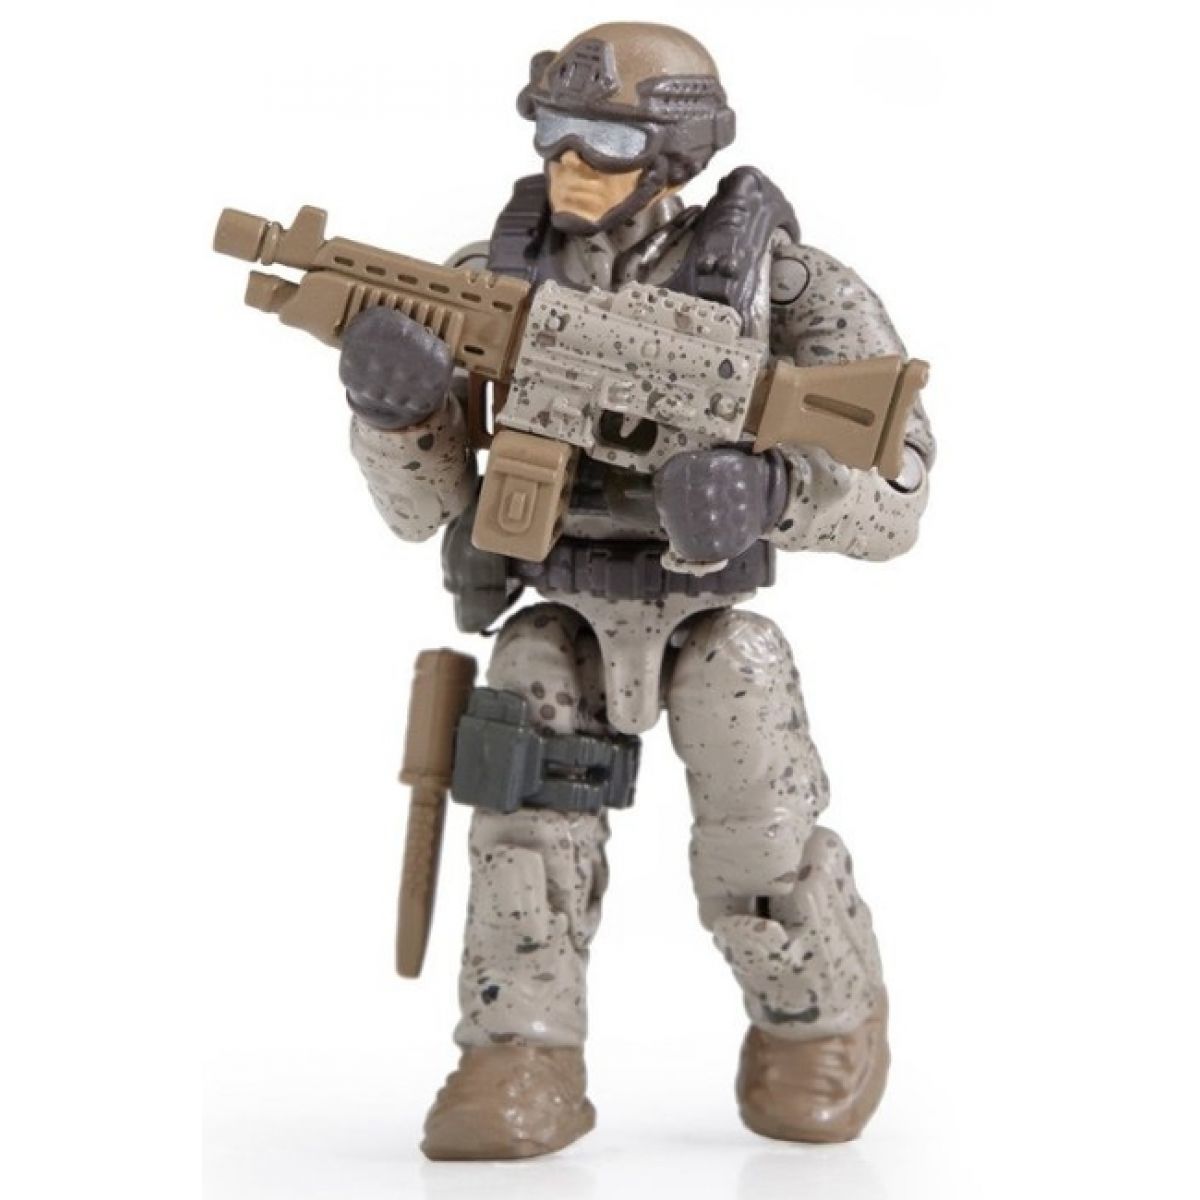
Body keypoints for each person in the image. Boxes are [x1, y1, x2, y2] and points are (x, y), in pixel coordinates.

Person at [339, 21, 935, 1160]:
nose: (570, 161)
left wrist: (775, 492)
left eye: (605, 140)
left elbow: (899, 486)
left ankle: (819, 1020)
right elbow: (423, 510)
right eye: (554, 131)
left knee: (759, 838)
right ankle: (519, 1052)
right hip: (555, 605)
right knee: (524, 837)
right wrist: (395, 415)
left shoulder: (783, 288)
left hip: (707, 614)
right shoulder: (492, 280)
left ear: (678, 150)